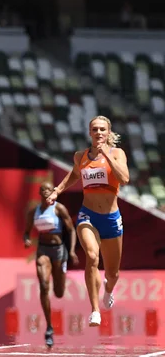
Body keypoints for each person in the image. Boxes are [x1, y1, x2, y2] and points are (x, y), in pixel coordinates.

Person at [46, 115, 129, 328]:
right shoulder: (80, 156)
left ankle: (108, 290)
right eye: (95, 129)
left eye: (102, 129)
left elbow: (124, 178)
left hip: (111, 218)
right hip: (88, 215)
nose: (99, 133)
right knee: (92, 256)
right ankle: (94, 310)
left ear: (108, 133)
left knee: (113, 273)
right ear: (89, 133)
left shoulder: (117, 154)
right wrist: (57, 191)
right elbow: (74, 175)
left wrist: (107, 157)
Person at [24, 182, 79, 348]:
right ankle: (49, 327)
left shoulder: (59, 208)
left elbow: (71, 229)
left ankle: (60, 276)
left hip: (59, 250)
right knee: (43, 284)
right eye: (47, 191)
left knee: (59, 292)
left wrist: (72, 251)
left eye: (52, 191)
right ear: (41, 193)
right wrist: (26, 239)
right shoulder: (34, 211)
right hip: (43, 250)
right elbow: (26, 232)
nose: (50, 194)